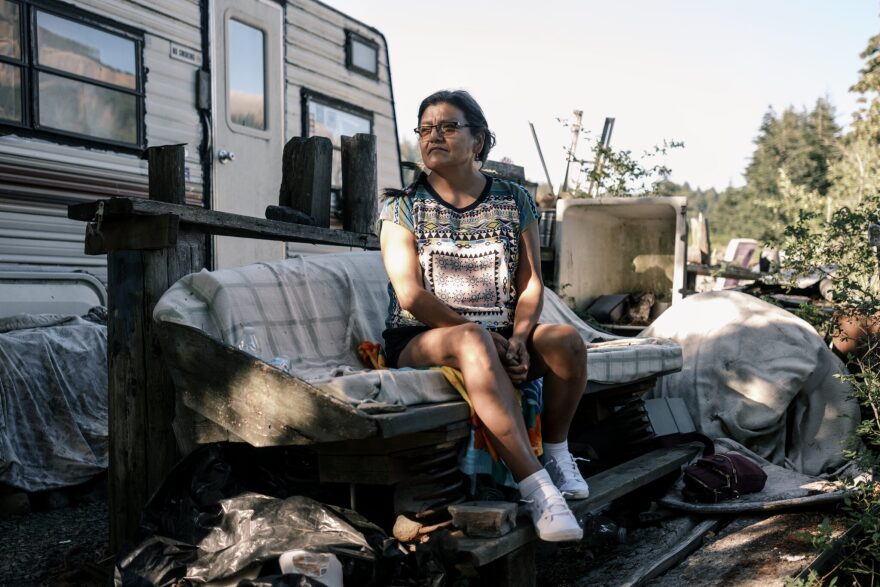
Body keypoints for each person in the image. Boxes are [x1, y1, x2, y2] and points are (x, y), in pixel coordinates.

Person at [378, 90, 588, 542]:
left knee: (566, 341)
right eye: (425, 128)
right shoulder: (402, 209)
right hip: (422, 337)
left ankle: (556, 451)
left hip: (499, 333)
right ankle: (539, 490)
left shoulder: (514, 200)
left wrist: (517, 337)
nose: (433, 136)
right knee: (472, 339)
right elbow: (410, 295)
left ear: (478, 141)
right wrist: (478, 334)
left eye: (448, 126)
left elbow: (531, 283)